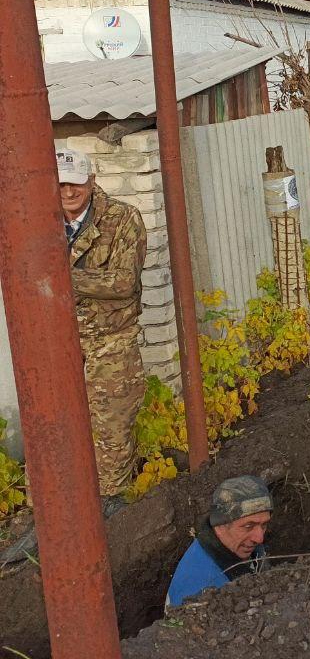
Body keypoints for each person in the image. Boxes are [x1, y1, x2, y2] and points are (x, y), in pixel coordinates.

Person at [58, 148, 148, 499]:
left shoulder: (122, 218)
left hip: (110, 342)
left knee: (112, 430)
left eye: (76, 184)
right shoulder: (38, 218)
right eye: (61, 184)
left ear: (91, 181)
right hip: (59, 342)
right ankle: (54, 511)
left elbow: (123, 282)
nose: (68, 192)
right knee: (57, 429)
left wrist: (60, 278)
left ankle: (112, 506)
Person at [166, 475, 272, 608]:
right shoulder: (203, 591)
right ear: (220, 526)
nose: (259, 538)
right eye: (248, 526)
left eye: (264, 525)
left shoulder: (236, 544)